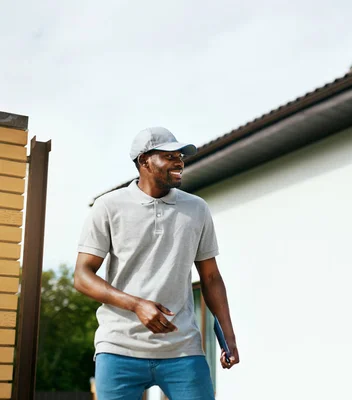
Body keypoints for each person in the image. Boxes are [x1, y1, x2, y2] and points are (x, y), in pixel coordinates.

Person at [74, 127, 239, 400]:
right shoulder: (109, 207)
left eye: (180, 156)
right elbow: (82, 276)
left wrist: (228, 336)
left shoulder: (197, 209)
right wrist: (136, 304)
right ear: (144, 162)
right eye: (169, 156)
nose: (179, 162)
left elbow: (210, 278)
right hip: (119, 348)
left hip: (182, 350)